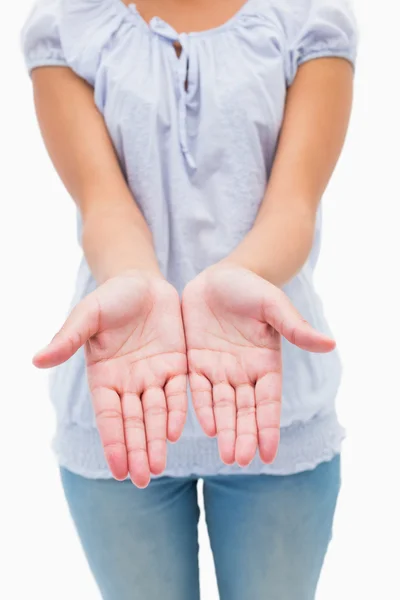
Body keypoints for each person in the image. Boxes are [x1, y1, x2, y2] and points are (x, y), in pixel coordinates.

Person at [21, 0, 358, 598]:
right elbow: (105, 206)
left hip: (271, 404)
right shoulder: (69, 27)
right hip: (123, 405)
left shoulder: (308, 18)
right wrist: (137, 282)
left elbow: (293, 205)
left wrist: (241, 274)